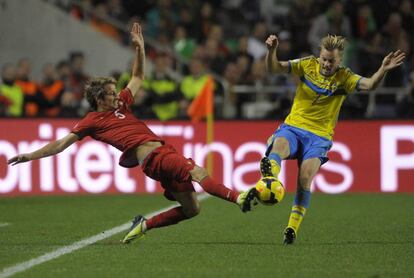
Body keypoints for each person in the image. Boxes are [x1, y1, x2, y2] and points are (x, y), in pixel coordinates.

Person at [7, 23, 257, 244]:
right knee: (198, 171)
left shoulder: (121, 105)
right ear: (98, 98)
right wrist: (30, 156)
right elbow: (61, 144)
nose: (117, 95)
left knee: (192, 209)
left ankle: (144, 224)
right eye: (111, 93)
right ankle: (239, 198)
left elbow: (138, 76)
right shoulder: (92, 121)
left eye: (116, 91)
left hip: (159, 154)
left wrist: (140, 48)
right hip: (155, 156)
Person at [262, 34, 405, 244]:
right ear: (319, 56)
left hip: (319, 137)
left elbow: (370, 85)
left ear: (340, 61)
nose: (327, 64)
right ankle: (270, 178)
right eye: (324, 59)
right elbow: (274, 68)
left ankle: (291, 229)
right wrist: (271, 51)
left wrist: (382, 69)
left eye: (332, 61)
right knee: (279, 146)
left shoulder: (344, 78)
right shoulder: (306, 65)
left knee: (305, 178)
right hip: (294, 127)